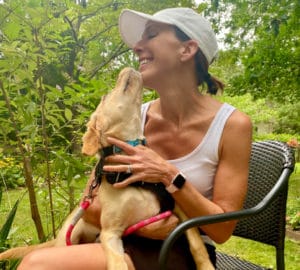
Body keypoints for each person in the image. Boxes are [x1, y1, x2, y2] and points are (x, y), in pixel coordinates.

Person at [18, 7, 252, 270]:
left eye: (151, 35)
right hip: (119, 238)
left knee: (37, 266)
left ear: (187, 50)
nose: (137, 46)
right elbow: (92, 205)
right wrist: (144, 223)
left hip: (182, 247)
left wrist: (168, 175)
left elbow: (221, 231)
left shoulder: (232, 125)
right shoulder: (133, 118)